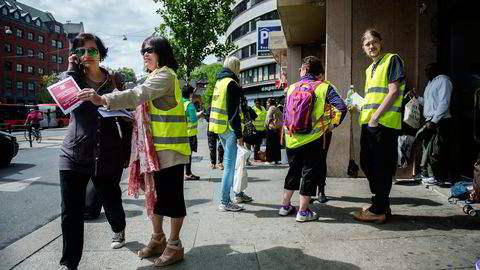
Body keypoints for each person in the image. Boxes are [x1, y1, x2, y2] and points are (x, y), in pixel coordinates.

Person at [78, 36, 189, 267]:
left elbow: (137, 94)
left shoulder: (165, 75)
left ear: (162, 52)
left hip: (170, 149)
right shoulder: (154, 76)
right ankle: (158, 238)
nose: (145, 54)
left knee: (172, 199)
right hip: (153, 150)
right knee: (155, 198)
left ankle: (175, 245)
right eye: (143, 51)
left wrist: (102, 99)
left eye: (150, 50)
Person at [57, 33, 132, 270]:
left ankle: (118, 228)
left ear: (101, 53)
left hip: (108, 153)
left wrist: (126, 151)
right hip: (74, 154)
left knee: (112, 201)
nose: (86, 55)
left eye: (91, 50)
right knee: (70, 211)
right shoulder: (69, 78)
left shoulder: (115, 80)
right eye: (80, 51)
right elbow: (66, 102)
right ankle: (69, 264)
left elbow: (126, 118)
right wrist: (71, 67)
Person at [279, 56, 346, 222]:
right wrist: (331, 126)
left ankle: (285, 206)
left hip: (292, 138)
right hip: (313, 139)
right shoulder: (324, 87)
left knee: (293, 170)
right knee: (309, 173)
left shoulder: (292, 87)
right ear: (318, 72)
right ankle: (303, 212)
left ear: (304, 70)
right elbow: (341, 107)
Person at [353, 29, 405, 224]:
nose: (371, 46)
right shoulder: (370, 68)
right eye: (367, 44)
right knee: (366, 163)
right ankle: (381, 203)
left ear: (381, 42)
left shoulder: (392, 60)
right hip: (369, 123)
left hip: (383, 123)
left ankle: (379, 209)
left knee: (381, 166)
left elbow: (393, 92)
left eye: (374, 42)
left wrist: (375, 117)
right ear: (363, 48)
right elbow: (374, 96)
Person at [209, 56, 252, 211]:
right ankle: (225, 201)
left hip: (219, 128)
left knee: (233, 164)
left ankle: (238, 193)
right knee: (230, 166)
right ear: (236, 67)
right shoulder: (231, 83)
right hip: (230, 129)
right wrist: (240, 135)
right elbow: (233, 113)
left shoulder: (220, 82)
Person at [415, 63, 452, 186]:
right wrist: (417, 98)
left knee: (437, 150)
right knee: (428, 149)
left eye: (429, 70)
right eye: (426, 71)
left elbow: (444, 103)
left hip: (440, 121)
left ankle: (440, 177)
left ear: (436, 70)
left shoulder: (444, 81)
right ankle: (431, 175)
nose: (427, 73)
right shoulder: (430, 83)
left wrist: (434, 121)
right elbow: (429, 103)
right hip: (430, 120)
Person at [182, 84, 203, 180]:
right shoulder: (190, 105)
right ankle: (188, 173)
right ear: (190, 94)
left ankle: (187, 173)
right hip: (190, 133)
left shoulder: (180, 103)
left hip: (182, 133)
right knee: (189, 155)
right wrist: (200, 114)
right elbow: (193, 119)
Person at [264, 98, 282, 165]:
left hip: (271, 129)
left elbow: (269, 118)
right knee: (276, 145)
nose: (267, 104)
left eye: (267, 103)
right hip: (276, 129)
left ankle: (269, 160)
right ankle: (277, 160)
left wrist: (266, 125)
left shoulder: (271, 108)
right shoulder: (277, 108)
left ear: (270, 103)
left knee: (269, 145)